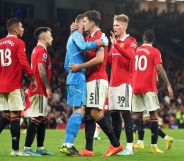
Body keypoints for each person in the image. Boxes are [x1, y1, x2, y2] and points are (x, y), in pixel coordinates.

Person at [70, 10, 122, 157]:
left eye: (85, 21)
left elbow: (100, 59)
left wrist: (80, 67)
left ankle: (115, 144)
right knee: (88, 113)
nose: (84, 23)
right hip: (90, 79)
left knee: (94, 111)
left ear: (92, 22)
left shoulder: (100, 36)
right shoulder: (89, 37)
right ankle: (88, 149)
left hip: (98, 78)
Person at [59, 14, 108, 156]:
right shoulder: (77, 35)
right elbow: (84, 46)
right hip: (78, 77)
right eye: (83, 22)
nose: (85, 25)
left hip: (72, 76)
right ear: (79, 23)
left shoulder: (72, 37)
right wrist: (100, 42)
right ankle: (68, 145)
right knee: (79, 111)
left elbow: (65, 64)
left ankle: (67, 144)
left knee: (77, 111)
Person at [132, 29, 173, 153]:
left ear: (143, 38)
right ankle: (154, 146)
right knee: (153, 115)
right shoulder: (155, 51)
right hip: (148, 87)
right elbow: (159, 69)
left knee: (138, 115)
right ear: (153, 40)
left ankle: (138, 142)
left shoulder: (136, 50)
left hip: (135, 86)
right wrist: (168, 85)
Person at [0, 18, 36, 156]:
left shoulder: (0, 43)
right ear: (15, 29)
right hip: (13, 84)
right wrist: (32, 77)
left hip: (1, 84)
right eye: (21, 27)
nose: (23, 29)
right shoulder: (19, 42)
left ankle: (15, 149)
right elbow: (23, 61)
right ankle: (15, 150)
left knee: (6, 115)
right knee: (15, 116)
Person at [108, 14, 137, 155]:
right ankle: (116, 146)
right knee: (114, 117)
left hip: (124, 83)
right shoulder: (115, 42)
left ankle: (130, 147)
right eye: (114, 25)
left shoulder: (131, 41)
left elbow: (131, 56)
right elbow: (108, 60)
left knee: (126, 115)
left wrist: (116, 45)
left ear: (124, 26)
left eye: (117, 25)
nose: (114, 27)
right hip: (112, 84)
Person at [23, 27, 54, 156]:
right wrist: (47, 87)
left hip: (36, 88)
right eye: (50, 35)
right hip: (40, 89)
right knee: (38, 117)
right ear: (43, 37)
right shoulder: (42, 51)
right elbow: (41, 69)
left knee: (42, 118)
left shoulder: (37, 49)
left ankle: (40, 148)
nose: (52, 38)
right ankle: (27, 148)